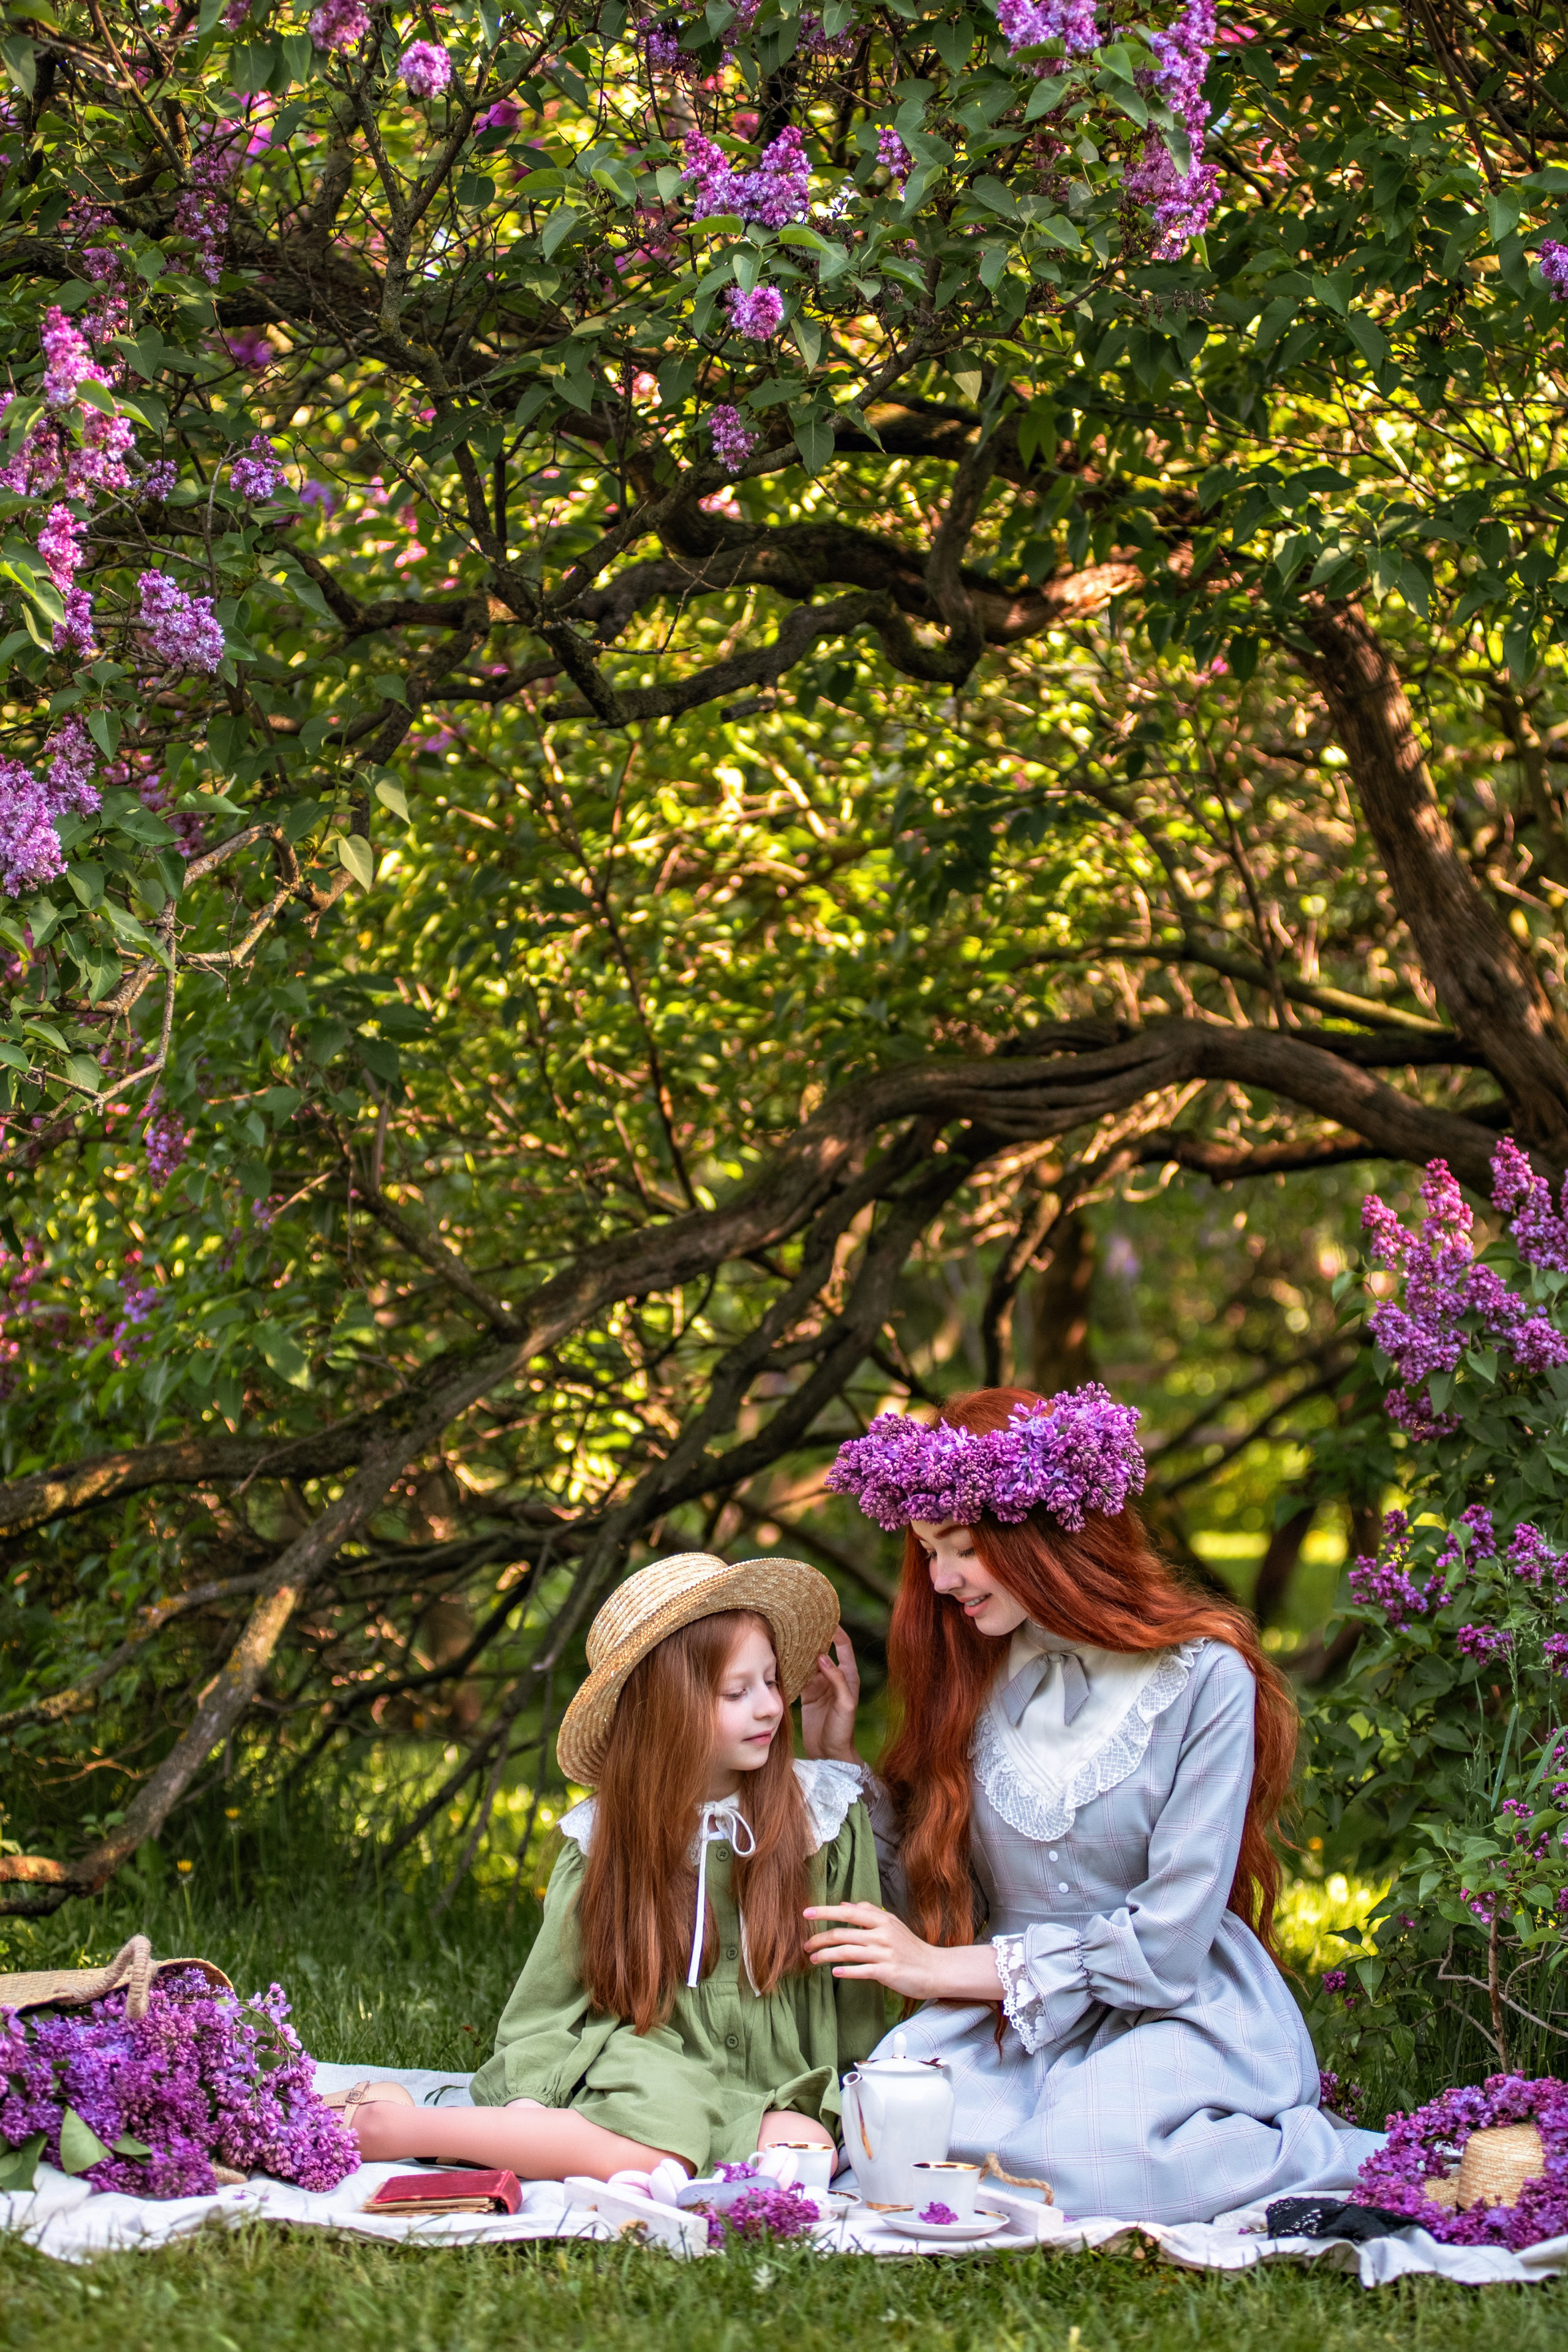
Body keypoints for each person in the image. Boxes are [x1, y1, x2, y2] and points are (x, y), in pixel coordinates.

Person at [798, 1384, 1384, 2225]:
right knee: (885, 2143)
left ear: (1045, 1535)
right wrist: (836, 1752)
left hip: (1174, 2013)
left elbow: (1169, 1944)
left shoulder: (1206, 1678)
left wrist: (934, 1971)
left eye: (960, 1548)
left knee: (1099, 2165)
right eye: (928, 1551)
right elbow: (928, 1899)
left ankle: (1319, 2151)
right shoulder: (971, 1673)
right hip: (1004, 2025)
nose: (941, 1578)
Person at [337, 1550, 884, 2181]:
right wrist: (527, 2100)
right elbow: (546, 2004)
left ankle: (533, 2145)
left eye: (770, 1681)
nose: (768, 1707)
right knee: (668, 2137)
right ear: (665, 1710)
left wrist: (864, 2092)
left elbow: (859, 1988)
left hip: (770, 2079)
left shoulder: (824, 1814)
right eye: (737, 1691)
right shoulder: (605, 1837)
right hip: (650, 2059)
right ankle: (402, 2129)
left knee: (805, 2156)